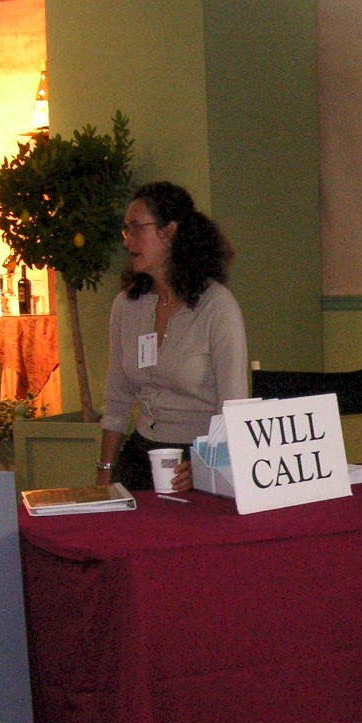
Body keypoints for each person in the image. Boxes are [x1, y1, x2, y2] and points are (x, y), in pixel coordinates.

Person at [98, 182, 249, 492]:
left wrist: (206, 465)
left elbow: (234, 405)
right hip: (141, 456)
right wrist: (105, 473)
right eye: (126, 230)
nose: (127, 240)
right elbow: (117, 400)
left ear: (169, 232)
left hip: (196, 461)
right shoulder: (127, 306)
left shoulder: (217, 307)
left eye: (136, 228)